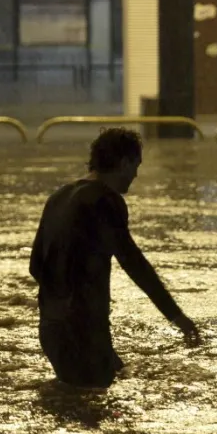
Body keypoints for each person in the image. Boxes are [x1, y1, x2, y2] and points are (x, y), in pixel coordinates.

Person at [29, 128, 200, 387]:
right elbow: (133, 263)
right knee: (95, 413)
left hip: (51, 329)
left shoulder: (59, 196)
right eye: (136, 166)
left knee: (84, 394)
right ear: (124, 162)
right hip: (84, 330)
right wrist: (178, 318)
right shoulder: (106, 200)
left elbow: (35, 266)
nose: (136, 175)